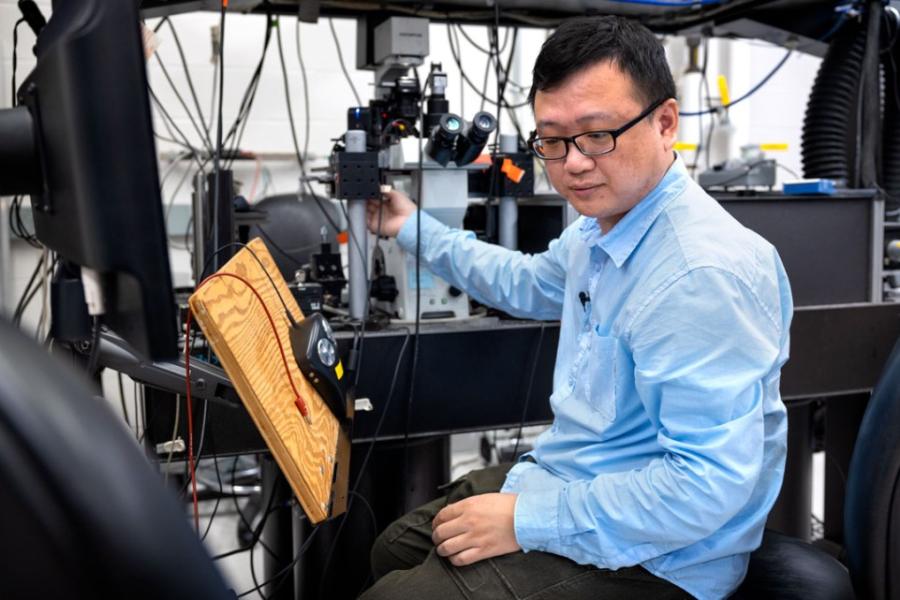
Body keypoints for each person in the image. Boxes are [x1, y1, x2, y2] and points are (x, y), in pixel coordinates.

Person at [360, 15, 792, 600]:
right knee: (391, 548)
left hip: (665, 558)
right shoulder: (601, 229)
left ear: (665, 122)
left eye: (597, 135)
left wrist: (524, 521)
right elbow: (523, 281)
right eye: (554, 141)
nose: (573, 163)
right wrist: (411, 227)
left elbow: (704, 488)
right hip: (583, 475)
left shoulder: (697, 275)